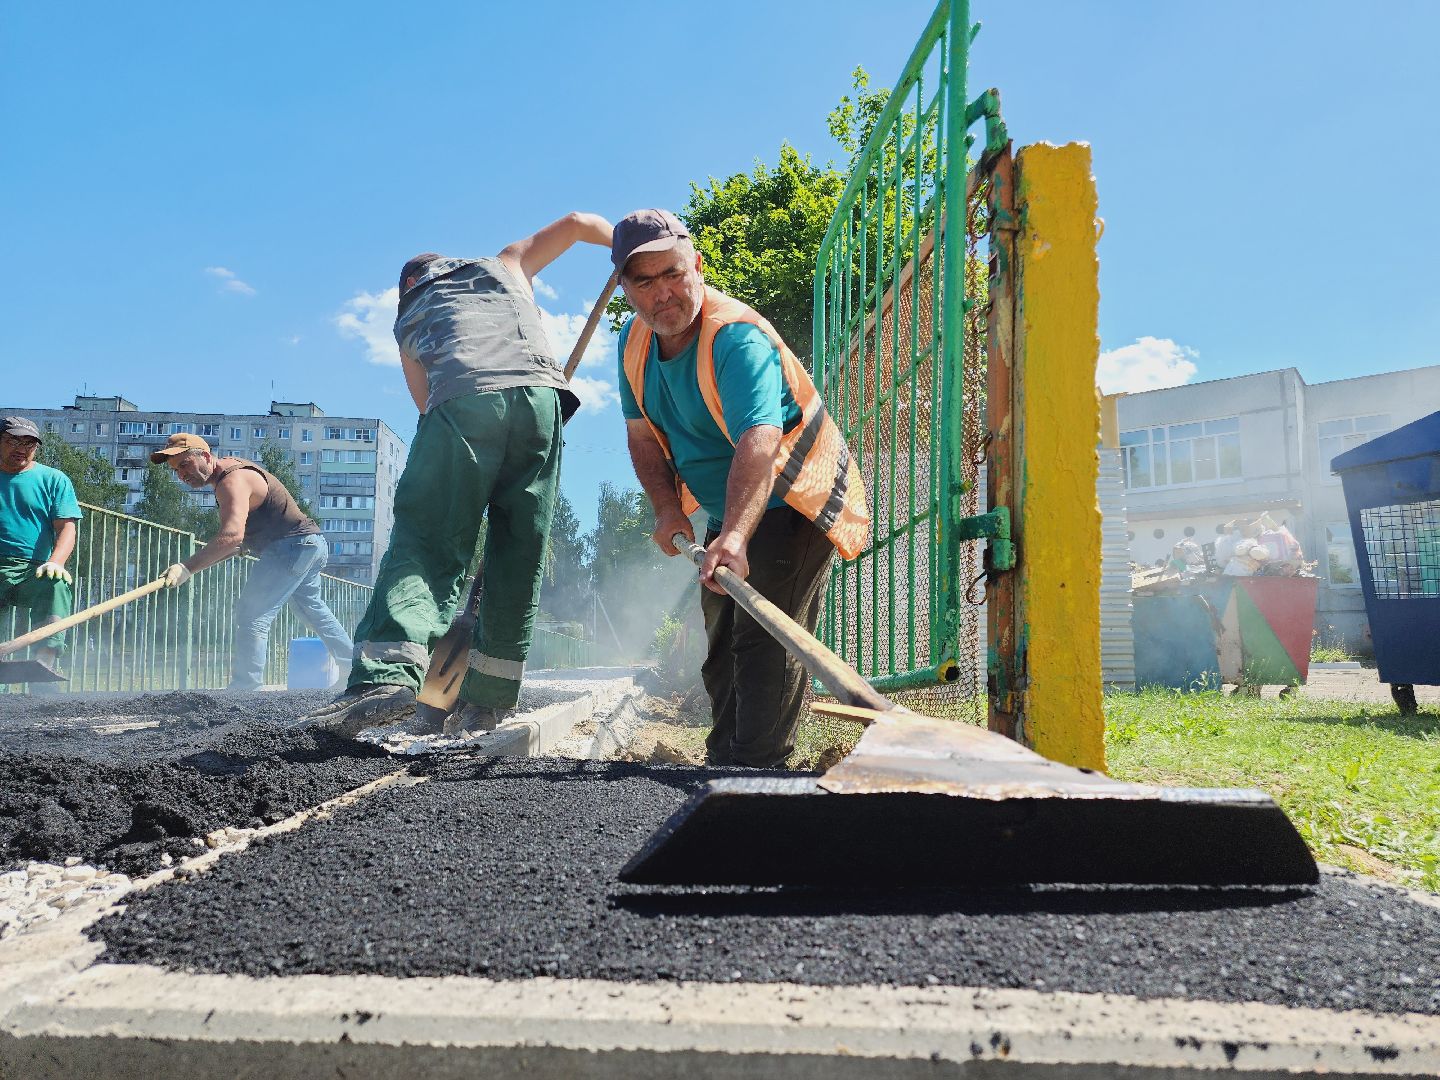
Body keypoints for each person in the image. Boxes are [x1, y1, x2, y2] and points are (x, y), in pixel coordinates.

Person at [299, 211, 614, 737]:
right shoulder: (507, 263)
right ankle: (486, 701)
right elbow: (581, 223)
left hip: (463, 402)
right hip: (542, 402)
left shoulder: (410, 316)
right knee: (517, 552)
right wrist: (625, 247)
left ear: (407, 286)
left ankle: (387, 676)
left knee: (427, 540)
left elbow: (427, 406)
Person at [612, 209, 870, 768]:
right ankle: (726, 757)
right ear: (625, 288)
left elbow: (760, 438)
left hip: (795, 495)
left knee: (762, 639)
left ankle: (759, 767)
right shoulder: (632, 344)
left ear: (697, 267)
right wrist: (664, 509)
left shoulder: (735, 339)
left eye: (674, 274)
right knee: (721, 634)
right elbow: (642, 439)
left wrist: (734, 536)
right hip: (730, 506)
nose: (663, 294)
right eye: (644, 281)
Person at [152, 434, 353, 691]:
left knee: (253, 613)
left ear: (204, 456)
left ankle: (245, 689)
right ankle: (353, 669)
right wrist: (191, 568)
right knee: (310, 609)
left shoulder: (231, 481)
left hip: (291, 546)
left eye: (184, 464)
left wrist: (187, 567)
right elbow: (235, 542)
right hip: (310, 544)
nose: (181, 474)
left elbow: (230, 536)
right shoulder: (230, 474)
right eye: (176, 470)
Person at [0, 416, 81, 679]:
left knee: (56, 584)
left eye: (29, 443)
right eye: (13, 440)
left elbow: (67, 527)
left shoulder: (53, 479)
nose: (21, 448)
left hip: (32, 571)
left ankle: (44, 661)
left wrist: (56, 562)